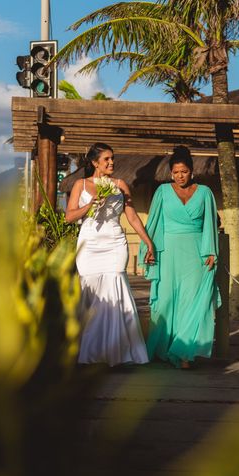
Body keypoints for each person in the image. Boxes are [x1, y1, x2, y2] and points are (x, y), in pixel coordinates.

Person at [65, 142, 155, 366]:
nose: (111, 162)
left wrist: (148, 242)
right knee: (91, 293)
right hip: (89, 244)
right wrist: (91, 205)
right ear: (95, 162)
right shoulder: (80, 184)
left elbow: (132, 217)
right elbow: (69, 217)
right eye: (106, 159)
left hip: (115, 243)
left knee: (115, 290)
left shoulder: (120, 184)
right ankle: (90, 352)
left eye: (112, 158)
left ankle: (117, 353)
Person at [139, 146, 221, 369]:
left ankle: (184, 353)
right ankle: (162, 347)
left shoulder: (204, 193)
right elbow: (153, 223)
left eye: (183, 171)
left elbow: (210, 225)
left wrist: (211, 251)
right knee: (165, 300)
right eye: (175, 172)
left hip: (196, 253)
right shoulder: (163, 192)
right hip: (168, 252)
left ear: (191, 171)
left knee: (192, 301)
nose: (179, 176)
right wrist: (148, 249)